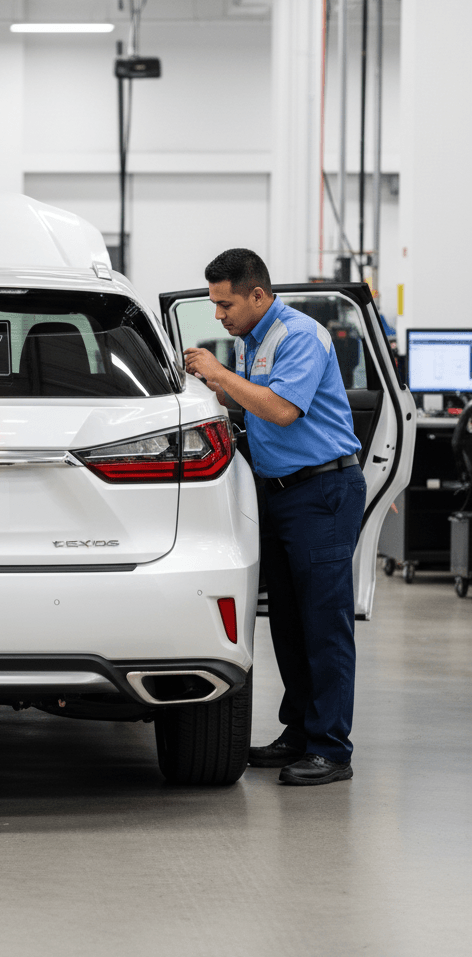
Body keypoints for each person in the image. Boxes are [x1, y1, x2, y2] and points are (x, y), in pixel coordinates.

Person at [183, 248, 365, 786]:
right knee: (287, 620)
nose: (220, 315)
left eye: (226, 304)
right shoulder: (254, 340)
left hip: (322, 491)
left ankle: (331, 749)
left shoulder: (300, 335)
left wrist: (218, 372)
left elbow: (283, 410)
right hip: (279, 495)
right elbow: (257, 408)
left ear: (258, 294)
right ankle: (298, 734)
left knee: (324, 624)